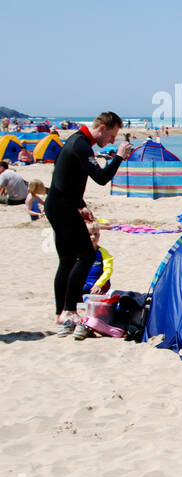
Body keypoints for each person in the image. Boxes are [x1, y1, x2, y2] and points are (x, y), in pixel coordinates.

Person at [46, 112, 131, 335]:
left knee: (66, 260)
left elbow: (65, 178)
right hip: (62, 208)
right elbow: (101, 178)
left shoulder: (76, 141)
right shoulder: (81, 145)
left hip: (58, 204)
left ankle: (60, 314)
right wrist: (119, 157)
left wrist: (81, 204)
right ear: (102, 128)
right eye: (112, 135)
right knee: (87, 256)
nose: (112, 141)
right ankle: (70, 310)